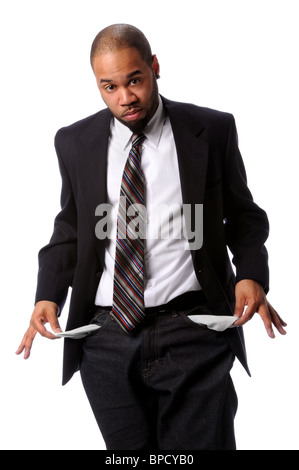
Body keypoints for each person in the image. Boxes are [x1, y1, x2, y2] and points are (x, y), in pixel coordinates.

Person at [16, 24, 287, 450]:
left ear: (155, 67)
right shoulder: (74, 142)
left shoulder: (210, 130)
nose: (125, 98)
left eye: (135, 80)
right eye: (109, 87)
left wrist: (250, 274)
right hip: (105, 338)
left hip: (192, 331)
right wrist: (48, 294)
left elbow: (244, 216)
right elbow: (70, 226)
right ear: (98, 86)